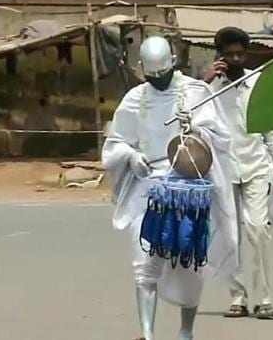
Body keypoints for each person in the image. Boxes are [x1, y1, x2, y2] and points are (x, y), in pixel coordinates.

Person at [102, 36, 238, 340]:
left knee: (189, 266)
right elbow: (116, 142)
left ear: (173, 63)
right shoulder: (134, 99)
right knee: (144, 263)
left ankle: (186, 331)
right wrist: (131, 156)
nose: (158, 81)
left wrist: (197, 127)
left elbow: (221, 137)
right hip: (147, 189)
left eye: (163, 74)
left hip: (187, 189)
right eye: (153, 76)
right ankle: (147, 334)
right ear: (143, 71)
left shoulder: (195, 92)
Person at [203, 27, 273, 320]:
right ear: (220, 57)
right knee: (230, 237)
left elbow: (271, 130)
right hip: (224, 169)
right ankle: (237, 298)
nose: (236, 58)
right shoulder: (209, 89)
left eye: (240, 53)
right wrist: (206, 82)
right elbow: (188, 114)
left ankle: (263, 298)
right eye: (230, 54)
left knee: (257, 230)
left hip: (256, 167)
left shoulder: (257, 83)